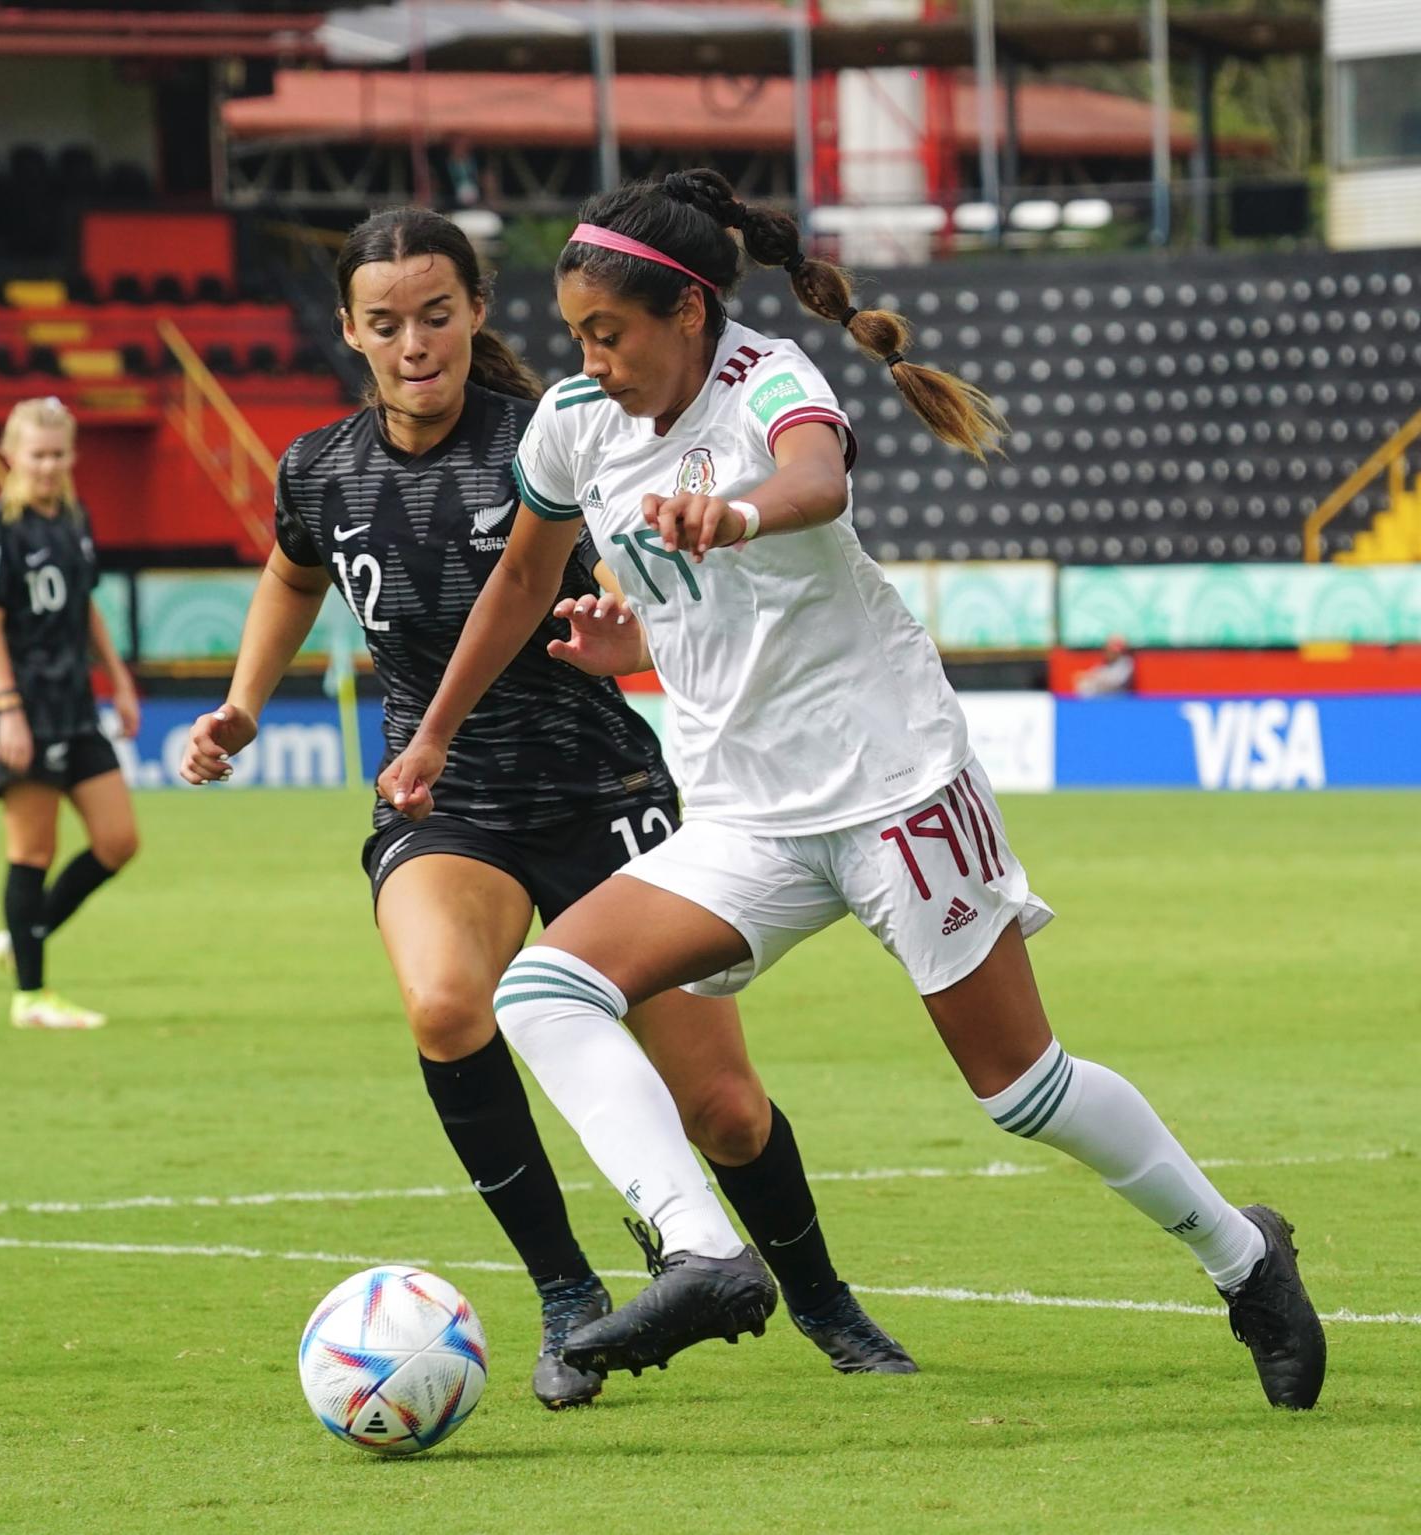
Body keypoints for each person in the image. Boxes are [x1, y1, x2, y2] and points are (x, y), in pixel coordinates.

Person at [377, 169, 1326, 1410]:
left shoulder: (769, 378)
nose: (590, 358)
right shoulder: (569, 422)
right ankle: (701, 1250)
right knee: (546, 986)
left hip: (894, 787)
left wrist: (729, 512)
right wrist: (436, 730)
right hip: (743, 816)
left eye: (609, 334)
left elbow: (814, 482)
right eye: (577, 335)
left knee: (1018, 1088)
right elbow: (517, 581)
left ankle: (1243, 1254)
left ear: (687, 315)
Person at [181, 206, 913, 1408]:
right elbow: (290, 569)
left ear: (474, 311)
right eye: (384, 322)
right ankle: (567, 1293)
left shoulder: (561, 432)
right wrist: (242, 704)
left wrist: (624, 640)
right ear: (349, 333)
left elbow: (649, 588)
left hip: (600, 791)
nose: (412, 341)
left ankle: (823, 1299)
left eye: (434, 312)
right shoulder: (318, 466)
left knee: (724, 1110)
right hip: (448, 799)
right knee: (441, 1000)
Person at [0, 396, 140, 1031]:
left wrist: (119, 682)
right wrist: (7, 709)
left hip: (77, 707)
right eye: (36, 454)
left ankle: (24, 934)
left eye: (58, 454)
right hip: (27, 710)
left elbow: (86, 608)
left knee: (119, 841)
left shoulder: (74, 517)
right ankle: (31, 996)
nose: (47, 466)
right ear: (11, 454)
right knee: (32, 852)